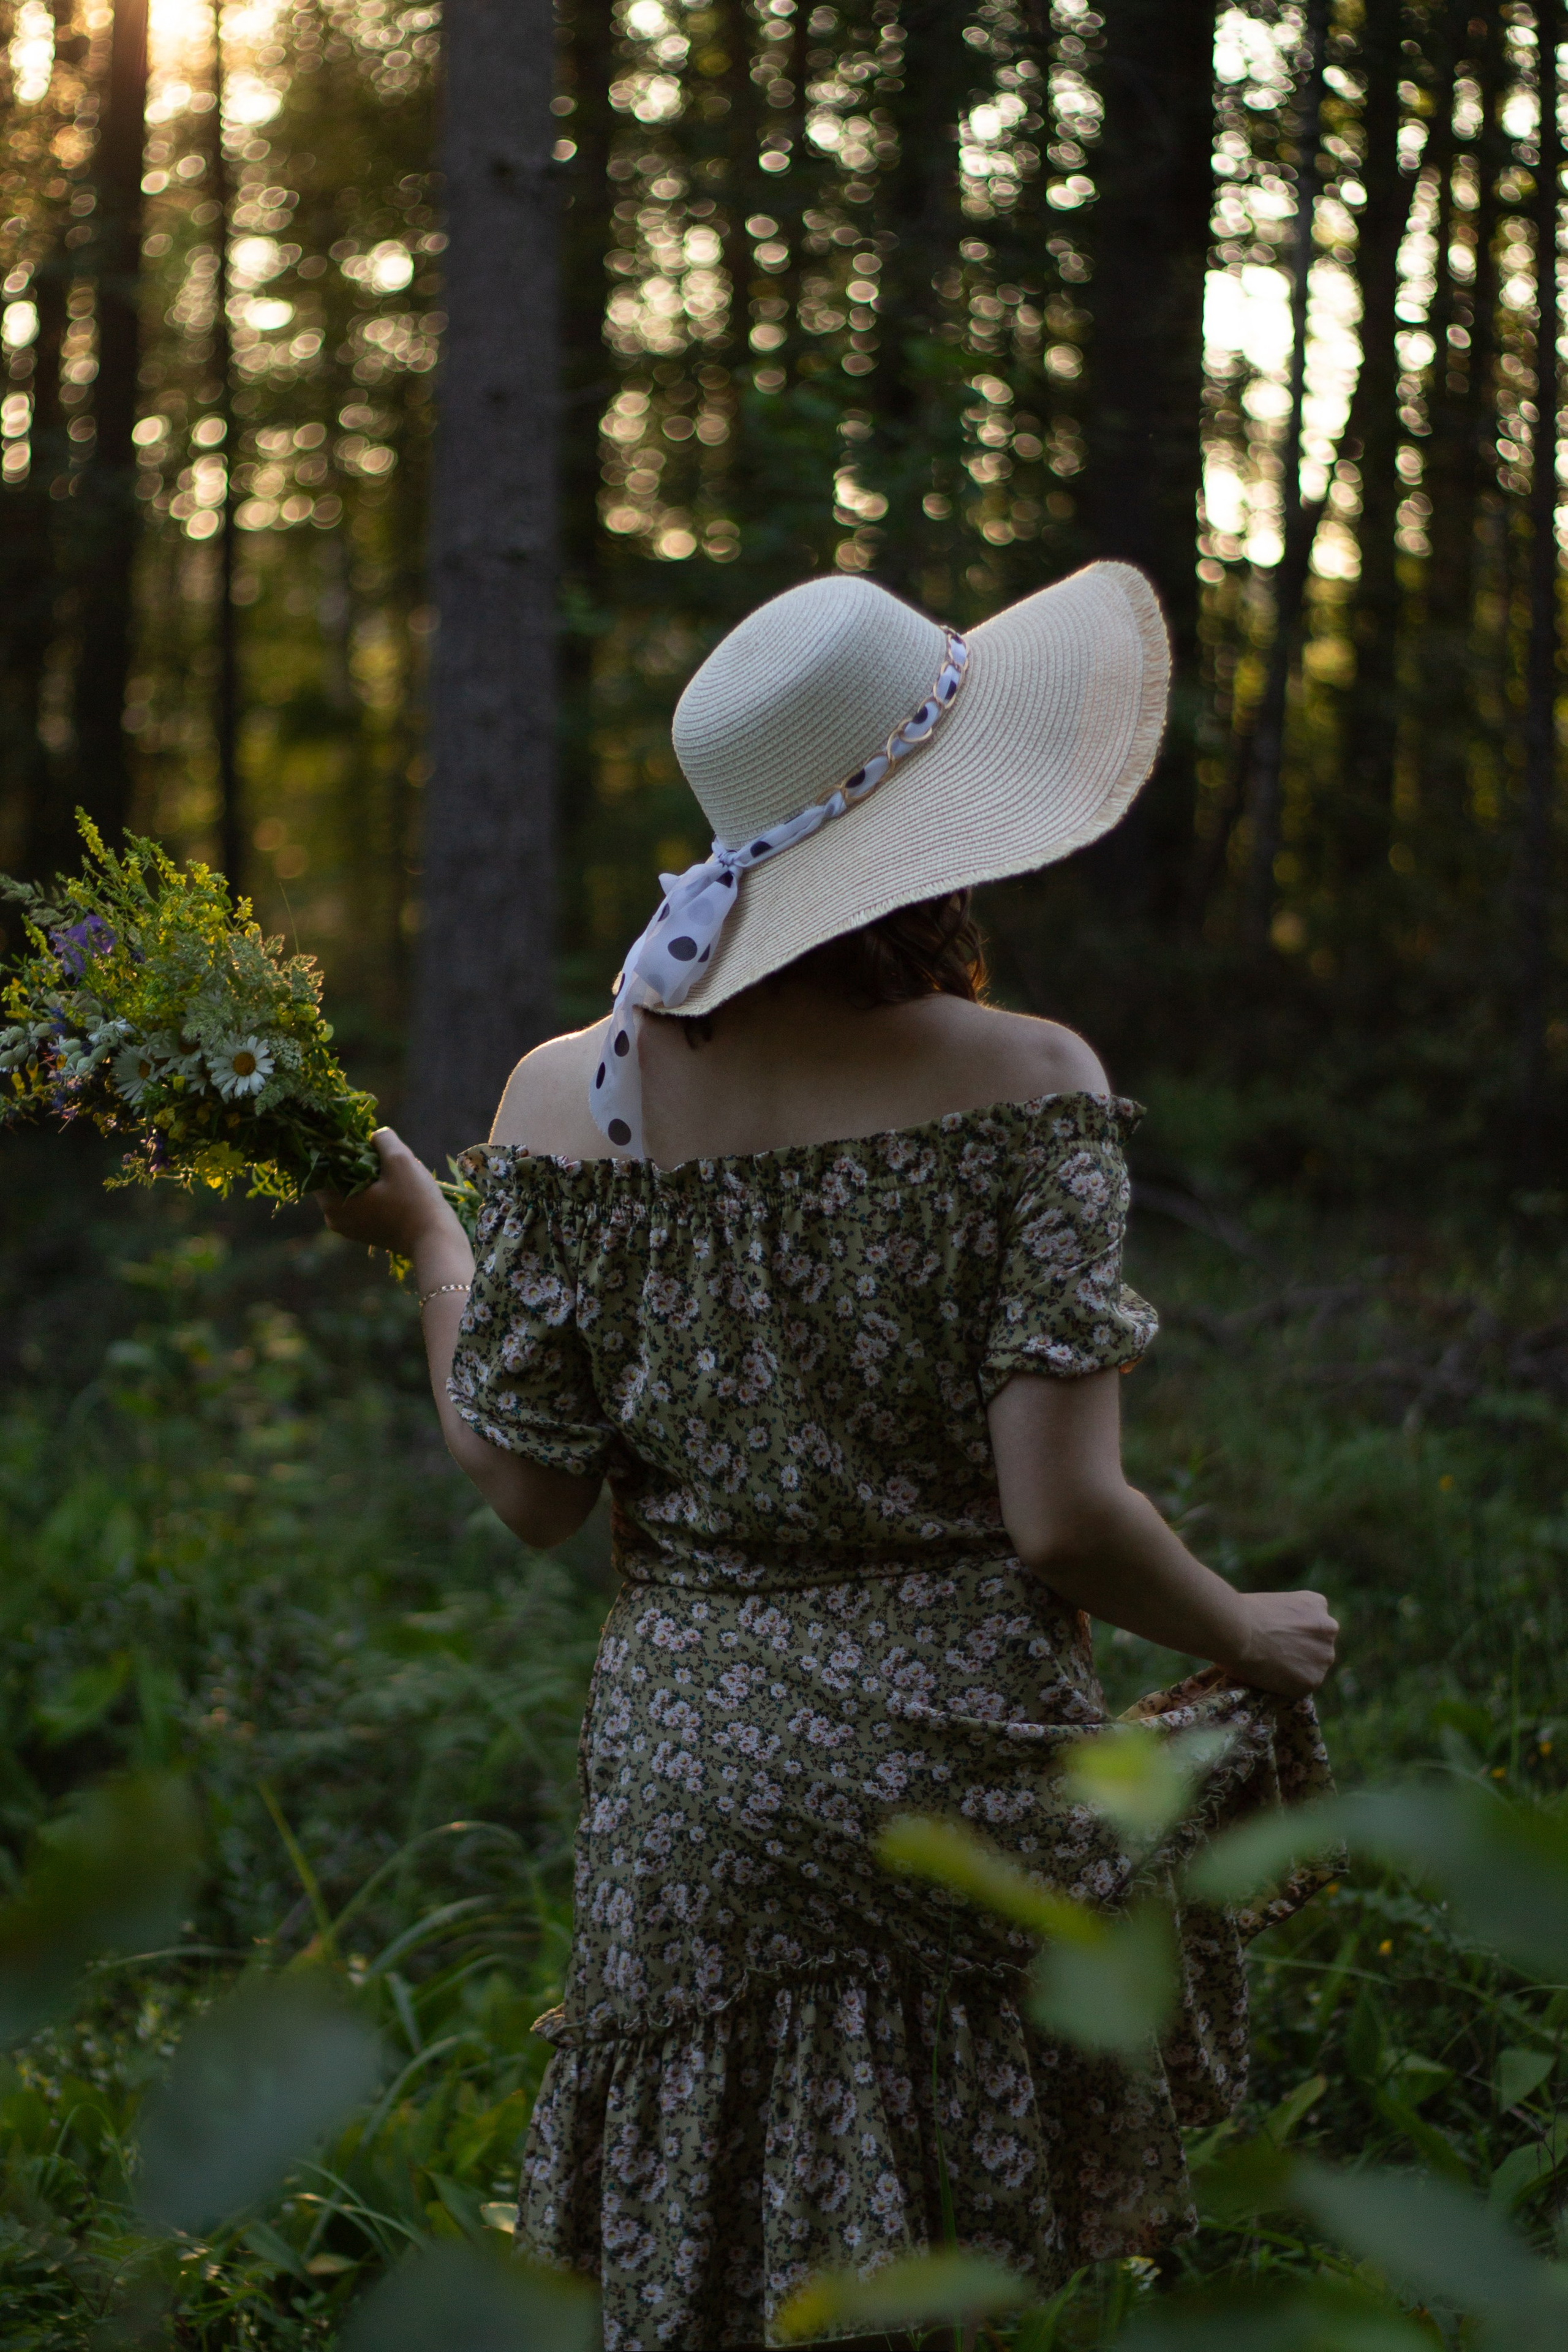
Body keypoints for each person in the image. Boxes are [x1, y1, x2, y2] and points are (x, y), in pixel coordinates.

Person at [325, 563, 1337, 2352]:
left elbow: (532, 1492)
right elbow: (1066, 1517)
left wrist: (430, 1243)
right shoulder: (1027, 1080)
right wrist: (1243, 1632)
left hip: (695, 1785)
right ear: (938, 834)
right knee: (972, 2251)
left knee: (711, 2255)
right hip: (969, 1773)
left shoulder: (569, 1095)